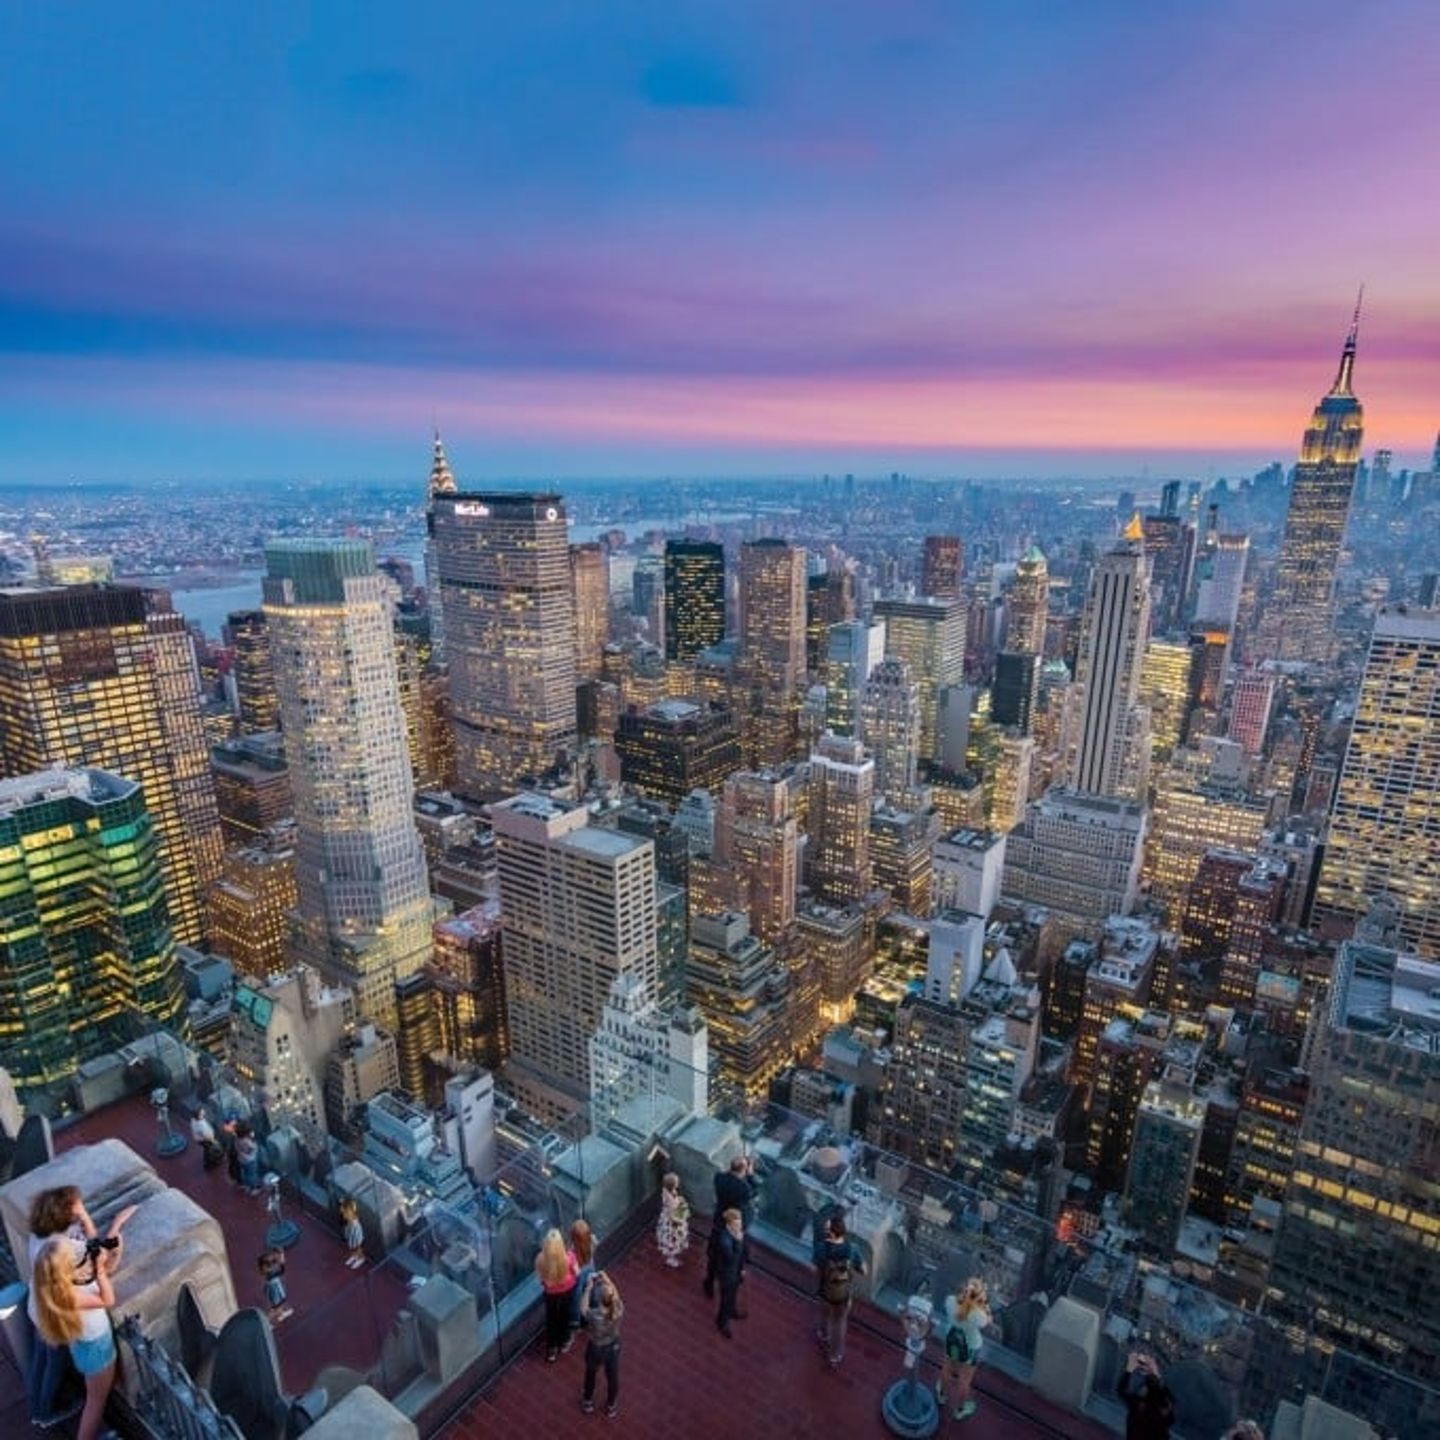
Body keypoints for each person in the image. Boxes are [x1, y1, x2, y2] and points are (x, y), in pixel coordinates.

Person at [25, 1187, 134, 1428]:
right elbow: (101, 1259)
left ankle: (36, 1409)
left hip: (39, 1310)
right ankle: (44, 1413)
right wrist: (114, 1227)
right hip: (84, 1335)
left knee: (41, 1360)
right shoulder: (63, 1253)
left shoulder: (40, 1239)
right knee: (60, 1371)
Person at [31, 1236, 118, 1440]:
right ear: (67, 1271)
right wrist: (100, 1270)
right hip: (96, 1349)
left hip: (85, 1347)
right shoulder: (69, 1297)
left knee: (100, 1392)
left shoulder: (55, 1288)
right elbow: (108, 1299)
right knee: (95, 1402)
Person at [703, 1153, 757, 1300]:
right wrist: (751, 1174)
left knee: (714, 1255)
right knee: (736, 1251)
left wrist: (744, 1171)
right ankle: (734, 1274)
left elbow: (732, 1179)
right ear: (743, 1170)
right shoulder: (744, 1189)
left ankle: (709, 1282)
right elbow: (755, 1191)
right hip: (734, 1223)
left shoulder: (719, 1178)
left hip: (720, 1220)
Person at [815, 1212, 865, 1368]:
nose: (825, 1230)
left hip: (825, 1291)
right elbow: (864, 1271)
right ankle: (835, 1355)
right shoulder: (853, 1248)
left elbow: (815, 1268)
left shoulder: (821, 1247)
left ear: (831, 1233)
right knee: (839, 1322)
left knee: (824, 1313)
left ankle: (823, 1334)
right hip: (843, 1294)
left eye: (827, 1228)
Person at [938, 1277, 992, 1422]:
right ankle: (960, 1409)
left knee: (947, 1368)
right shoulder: (977, 1316)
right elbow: (988, 1320)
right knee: (964, 1380)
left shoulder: (950, 1301)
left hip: (952, 1340)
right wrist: (985, 1306)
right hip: (971, 1348)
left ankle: (942, 1395)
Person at [577, 1268, 624, 1418]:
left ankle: (588, 1402)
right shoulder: (618, 1309)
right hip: (613, 1347)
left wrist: (588, 1288)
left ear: (599, 1300)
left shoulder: (594, 1315)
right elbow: (615, 1295)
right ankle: (611, 1406)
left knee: (591, 1373)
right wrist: (607, 1278)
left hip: (595, 1349)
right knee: (612, 1376)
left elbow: (583, 1308)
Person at [535, 1228, 578, 1363]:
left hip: (551, 1293)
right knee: (565, 1315)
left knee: (551, 1318)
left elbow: (540, 1278)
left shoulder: (540, 1259)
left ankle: (551, 1350)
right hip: (568, 1289)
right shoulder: (569, 1257)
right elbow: (577, 1272)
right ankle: (564, 1342)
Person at [1118, 1351, 1176, 1440]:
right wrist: (1156, 1374)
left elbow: (1122, 1391)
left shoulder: (1142, 1405)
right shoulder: (1161, 1405)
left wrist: (1129, 1369)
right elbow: (1123, 1392)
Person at [714, 1208, 747, 1338]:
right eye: (737, 1224)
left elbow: (743, 1253)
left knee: (733, 1295)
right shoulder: (725, 1240)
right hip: (727, 1275)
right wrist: (738, 1241)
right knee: (725, 1300)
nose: (740, 1227)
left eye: (740, 1223)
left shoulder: (736, 1232)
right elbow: (731, 1259)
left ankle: (732, 1311)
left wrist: (742, 1268)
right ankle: (722, 1323)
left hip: (736, 1272)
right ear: (729, 1224)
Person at [656, 1172, 691, 1268]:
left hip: (665, 1216)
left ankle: (671, 1256)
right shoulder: (670, 1201)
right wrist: (681, 1221)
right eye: (677, 1182)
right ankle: (671, 1259)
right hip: (672, 1224)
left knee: (670, 1240)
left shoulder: (665, 1190)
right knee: (672, 1241)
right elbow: (672, 1217)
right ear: (673, 1185)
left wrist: (678, 1199)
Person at [568, 1219, 596, 1330]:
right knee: (590, 1288)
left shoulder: (572, 1252)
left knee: (577, 1297)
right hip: (590, 1267)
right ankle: (592, 1308)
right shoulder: (591, 1240)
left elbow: (573, 1268)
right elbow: (595, 1243)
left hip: (579, 1275)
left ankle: (576, 1320)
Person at [258, 1247, 292, 1325]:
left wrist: (282, 1263)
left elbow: (280, 1272)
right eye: (280, 1255)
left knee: (281, 1302)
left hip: (275, 1285)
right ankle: (266, 1321)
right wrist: (280, 1263)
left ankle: (281, 1314)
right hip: (273, 1287)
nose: (280, 1257)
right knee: (276, 1306)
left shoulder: (272, 1263)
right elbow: (276, 1272)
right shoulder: (268, 1263)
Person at [235, 1120, 261, 1193]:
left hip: (241, 1159)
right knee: (251, 1174)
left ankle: (247, 1185)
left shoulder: (237, 1139)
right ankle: (254, 1188)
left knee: (245, 1173)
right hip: (250, 1160)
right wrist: (253, 1139)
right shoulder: (246, 1142)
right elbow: (253, 1148)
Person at [339, 1197, 366, 1269]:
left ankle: (361, 1258)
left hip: (355, 1228)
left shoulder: (352, 1212)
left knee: (358, 1244)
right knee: (351, 1244)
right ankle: (354, 1256)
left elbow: (351, 1217)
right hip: (350, 1226)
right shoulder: (344, 1210)